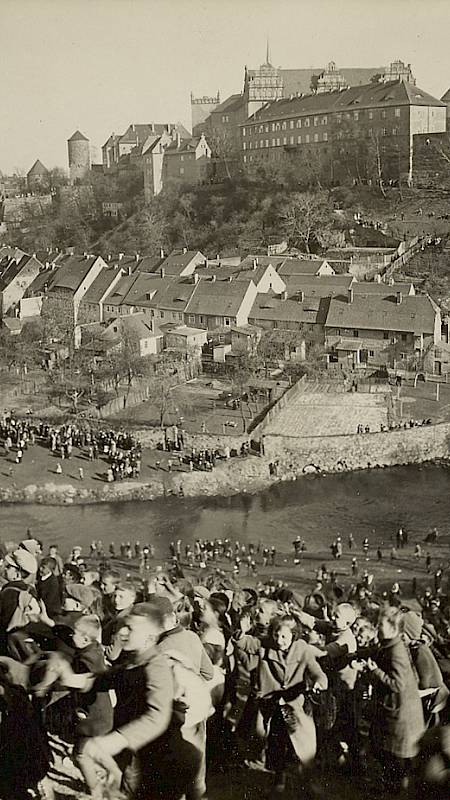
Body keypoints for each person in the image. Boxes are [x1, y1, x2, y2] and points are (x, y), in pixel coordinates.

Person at [59, 602, 200, 800]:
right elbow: (103, 679)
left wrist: (114, 740)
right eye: (124, 625)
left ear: (149, 638)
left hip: (165, 759)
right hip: (142, 755)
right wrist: (69, 677)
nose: (122, 632)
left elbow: (157, 715)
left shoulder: (156, 667)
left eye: (130, 628)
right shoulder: (134, 662)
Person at [251, 615, 328, 794]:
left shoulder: (303, 649)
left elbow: (317, 671)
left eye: (284, 636)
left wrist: (319, 683)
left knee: (303, 745)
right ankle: (280, 777)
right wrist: (238, 635)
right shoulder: (267, 646)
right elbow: (248, 643)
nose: (280, 641)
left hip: (295, 705)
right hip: (274, 705)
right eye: (277, 636)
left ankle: (307, 780)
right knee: (277, 742)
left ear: (294, 635)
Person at [365, 607, 425, 793]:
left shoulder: (396, 651)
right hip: (396, 709)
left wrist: (375, 671)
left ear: (393, 628)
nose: (377, 627)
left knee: (392, 755)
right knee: (390, 754)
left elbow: (397, 684)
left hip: (400, 711)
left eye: (380, 625)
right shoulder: (391, 644)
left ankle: (393, 789)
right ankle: (394, 786)